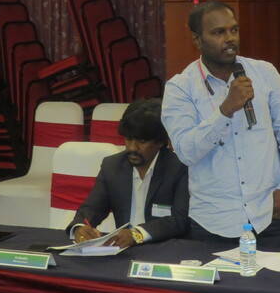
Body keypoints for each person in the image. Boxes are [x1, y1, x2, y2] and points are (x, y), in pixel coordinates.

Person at [161, 0, 280, 250]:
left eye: (234, 30)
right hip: (213, 222)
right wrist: (225, 109)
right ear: (197, 39)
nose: (230, 38)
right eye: (218, 32)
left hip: (269, 215)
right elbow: (185, 152)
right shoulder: (180, 88)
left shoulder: (265, 73)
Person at [67, 98, 189, 246]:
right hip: (123, 250)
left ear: (160, 142)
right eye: (128, 139)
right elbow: (92, 208)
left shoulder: (179, 168)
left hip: (165, 248)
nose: (132, 148)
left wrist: (138, 234)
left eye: (142, 141)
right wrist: (80, 227)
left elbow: (180, 220)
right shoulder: (112, 166)